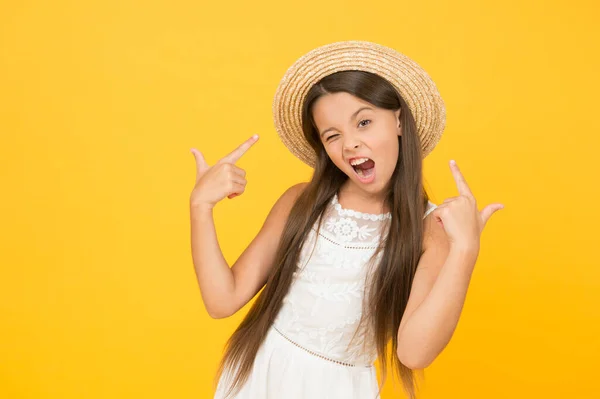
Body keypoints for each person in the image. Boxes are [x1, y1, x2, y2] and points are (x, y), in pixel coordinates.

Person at [189, 41, 504, 399]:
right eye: (333, 135)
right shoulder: (300, 201)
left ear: (399, 120)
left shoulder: (432, 230)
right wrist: (201, 206)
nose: (350, 144)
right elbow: (222, 300)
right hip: (258, 377)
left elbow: (414, 353)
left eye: (364, 122)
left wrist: (464, 250)